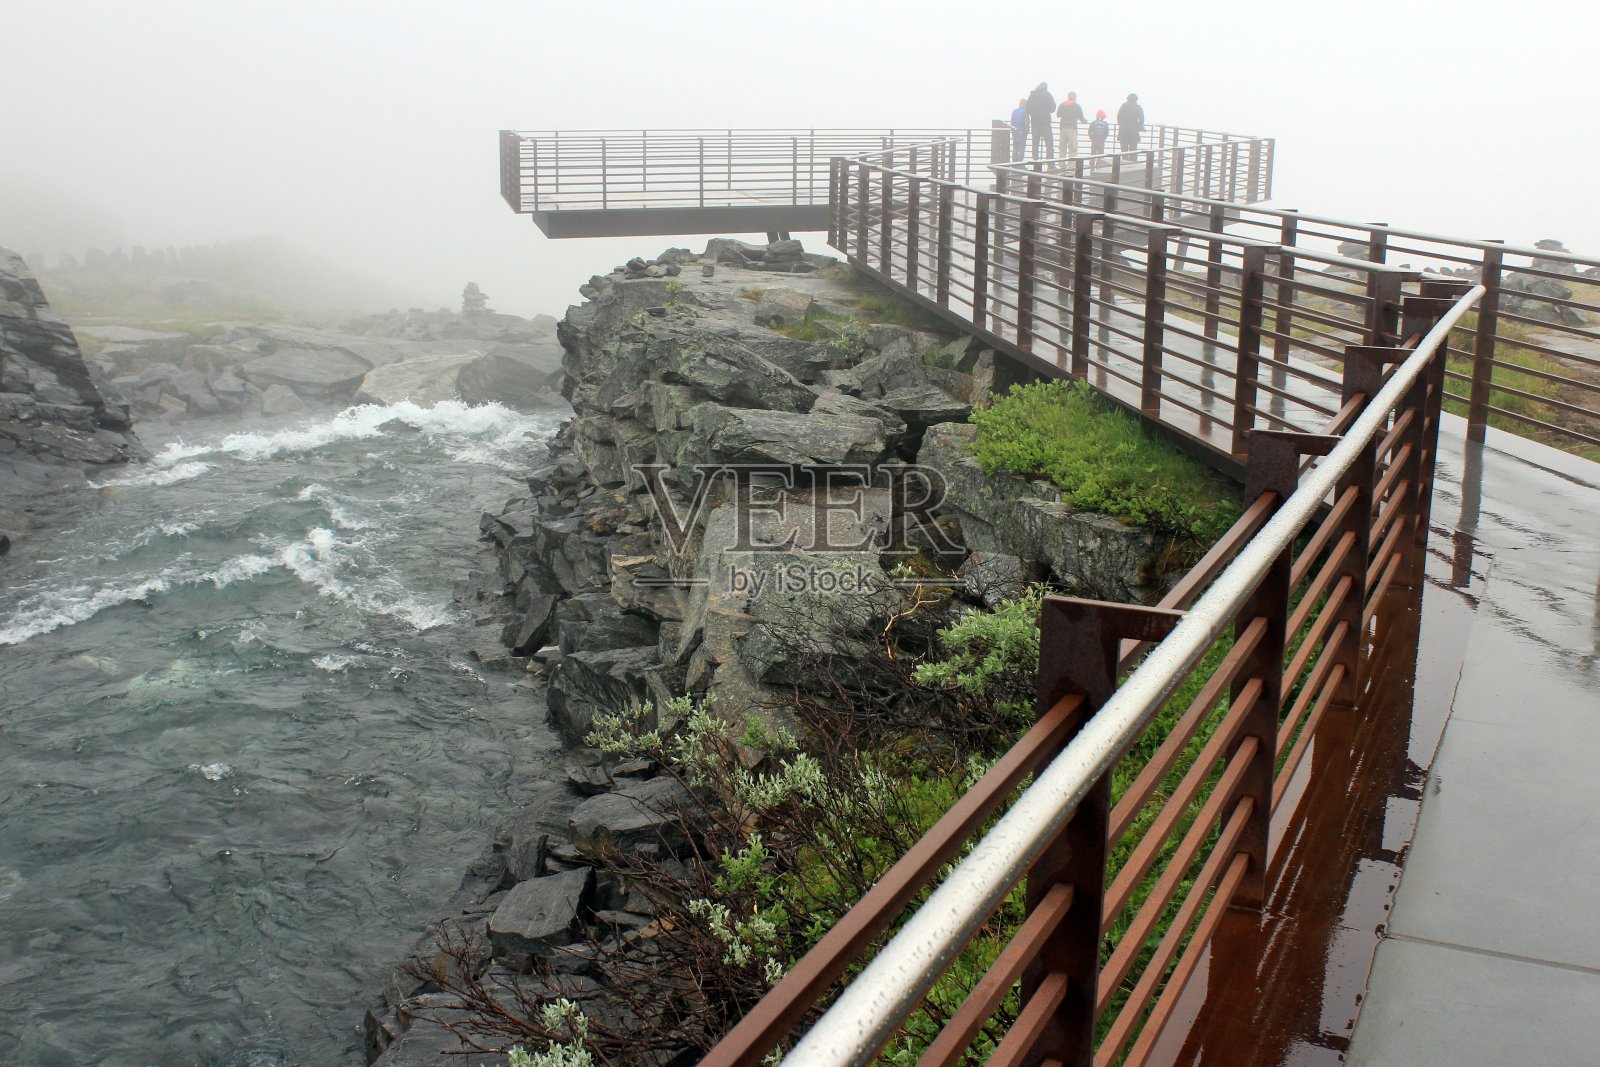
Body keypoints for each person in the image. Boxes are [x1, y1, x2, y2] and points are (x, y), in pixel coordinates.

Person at [1026, 82, 1056, 159]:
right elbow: (1053, 108)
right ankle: (1050, 163)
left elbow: (1027, 109)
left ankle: (1036, 163)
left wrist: (1033, 114)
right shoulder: (1047, 94)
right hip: (1045, 123)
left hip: (1034, 123)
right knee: (1049, 144)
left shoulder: (1032, 95)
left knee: (1035, 145)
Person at [1056, 91, 1086, 156]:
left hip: (1063, 129)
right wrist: (1085, 121)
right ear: (1074, 97)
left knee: (1062, 148)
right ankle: (1072, 163)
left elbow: (1058, 115)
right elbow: (1081, 118)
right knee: (1073, 148)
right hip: (1072, 129)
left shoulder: (1062, 105)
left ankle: (1062, 162)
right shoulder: (1077, 106)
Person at [1010, 97, 1028, 161]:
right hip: (1022, 132)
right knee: (1022, 148)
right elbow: (1026, 123)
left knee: (1015, 147)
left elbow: (1012, 122)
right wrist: (1027, 131)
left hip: (1014, 132)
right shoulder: (1025, 112)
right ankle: (1020, 163)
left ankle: (1014, 162)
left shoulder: (1014, 111)